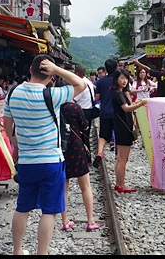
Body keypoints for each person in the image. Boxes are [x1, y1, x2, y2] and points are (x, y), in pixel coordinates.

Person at [3, 54, 85, 256]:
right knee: (49, 211)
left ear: (30, 70)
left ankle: (17, 251)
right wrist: (57, 69)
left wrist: (17, 146)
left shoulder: (12, 94)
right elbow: (81, 84)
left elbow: (7, 126)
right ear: (49, 76)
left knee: (22, 207)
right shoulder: (53, 95)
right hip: (51, 161)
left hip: (27, 162)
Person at [58, 95, 102, 232]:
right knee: (85, 186)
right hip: (76, 148)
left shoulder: (54, 107)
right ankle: (90, 221)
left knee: (63, 188)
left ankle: (65, 221)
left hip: (60, 148)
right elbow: (85, 126)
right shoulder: (75, 107)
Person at [110, 68, 148, 192]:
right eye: (122, 78)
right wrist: (140, 105)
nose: (124, 81)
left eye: (126, 78)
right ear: (116, 79)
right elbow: (127, 108)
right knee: (123, 159)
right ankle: (121, 185)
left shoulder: (121, 92)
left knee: (120, 158)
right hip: (123, 128)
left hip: (122, 127)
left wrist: (136, 102)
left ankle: (119, 183)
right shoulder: (118, 93)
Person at [92, 58, 118, 169]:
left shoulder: (101, 81)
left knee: (103, 135)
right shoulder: (119, 80)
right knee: (118, 134)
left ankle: (100, 152)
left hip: (105, 111)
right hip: (118, 112)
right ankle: (118, 155)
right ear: (116, 67)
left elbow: (97, 97)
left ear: (105, 69)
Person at [72, 65, 96, 149]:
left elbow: (74, 99)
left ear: (77, 73)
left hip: (82, 111)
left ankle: (84, 154)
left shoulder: (80, 84)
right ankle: (87, 154)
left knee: (81, 135)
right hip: (89, 110)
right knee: (86, 134)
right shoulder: (88, 82)